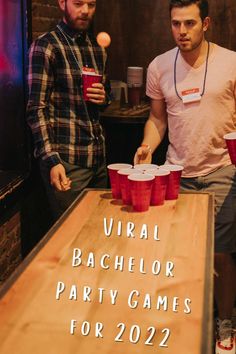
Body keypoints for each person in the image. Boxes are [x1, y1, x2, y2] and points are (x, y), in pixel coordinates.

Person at [134, 0, 236, 353]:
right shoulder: (159, 66)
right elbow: (158, 120)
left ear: (205, 23)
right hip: (176, 172)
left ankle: (225, 321)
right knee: (180, 254)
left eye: (189, 23)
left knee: (222, 255)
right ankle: (189, 320)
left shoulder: (231, 62)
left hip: (221, 169)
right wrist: (148, 145)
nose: (182, 31)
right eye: (175, 24)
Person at [27, 0, 111, 220]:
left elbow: (104, 98)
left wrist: (104, 98)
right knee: (71, 238)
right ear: (62, 3)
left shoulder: (96, 48)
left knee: (97, 231)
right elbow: (36, 109)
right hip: (67, 162)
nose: (85, 10)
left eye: (91, 4)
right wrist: (51, 159)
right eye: (78, 3)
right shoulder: (46, 46)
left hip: (97, 159)